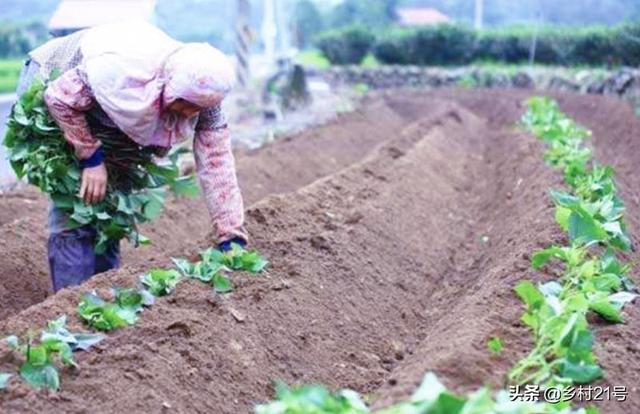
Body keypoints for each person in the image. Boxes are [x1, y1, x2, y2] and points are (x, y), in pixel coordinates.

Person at [17, 22, 247, 292]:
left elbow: (217, 162)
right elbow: (59, 98)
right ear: (171, 85)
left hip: (106, 109)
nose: (187, 113)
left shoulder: (204, 96)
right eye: (184, 103)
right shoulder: (123, 71)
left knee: (112, 203)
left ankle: (104, 292)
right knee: (76, 200)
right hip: (55, 84)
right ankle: (71, 301)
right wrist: (90, 158)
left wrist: (231, 236)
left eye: (195, 109)